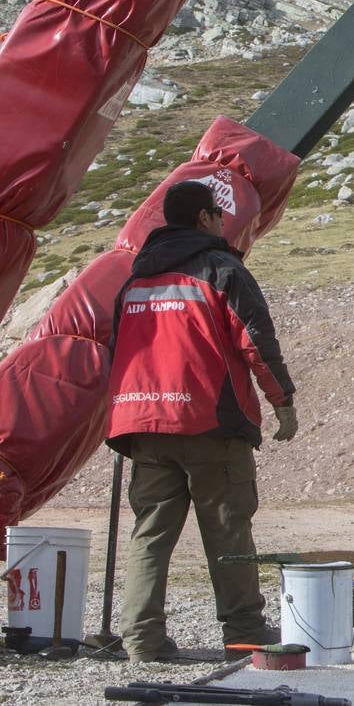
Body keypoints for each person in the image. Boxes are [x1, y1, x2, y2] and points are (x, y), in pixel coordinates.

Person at [106, 180, 297, 663]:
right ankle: (245, 633)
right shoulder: (221, 268)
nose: (221, 220)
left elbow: (117, 351)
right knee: (228, 530)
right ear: (203, 218)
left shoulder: (135, 280)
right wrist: (282, 401)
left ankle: (141, 639)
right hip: (209, 421)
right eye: (217, 212)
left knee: (149, 532)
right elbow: (256, 341)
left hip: (143, 422)